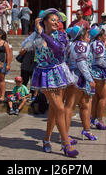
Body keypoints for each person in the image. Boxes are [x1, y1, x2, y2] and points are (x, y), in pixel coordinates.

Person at [21, 9, 77, 157]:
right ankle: (65, 143)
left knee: (54, 108)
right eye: (53, 20)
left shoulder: (62, 35)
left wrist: (42, 33)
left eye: (57, 20)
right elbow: (24, 46)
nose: (56, 22)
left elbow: (58, 49)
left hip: (59, 72)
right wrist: (36, 33)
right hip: (44, 74)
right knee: (59, 108)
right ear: (44, 21)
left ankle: (46, 139)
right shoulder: (37, 36)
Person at [64, 26, 97, 142]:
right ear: (82, 37)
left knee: (85, 104)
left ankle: (86, 130)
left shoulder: (71, 44)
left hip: (80, 78)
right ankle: (65, 135)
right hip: (77, 78)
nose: (89, 38)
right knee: (70, 106)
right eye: (87, 36)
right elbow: (81, 63)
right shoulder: (80, 45)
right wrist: (90, 79)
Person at [90, 27, 106, 130]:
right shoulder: (98, 44)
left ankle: (93, 118)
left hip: (93, 73)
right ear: (99, 37)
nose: (105, 36)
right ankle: (99, 120)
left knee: (96, 98)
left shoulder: (92, 44)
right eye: (104, 35)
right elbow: (99, 61)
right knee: (105, 96)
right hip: (98, 73)